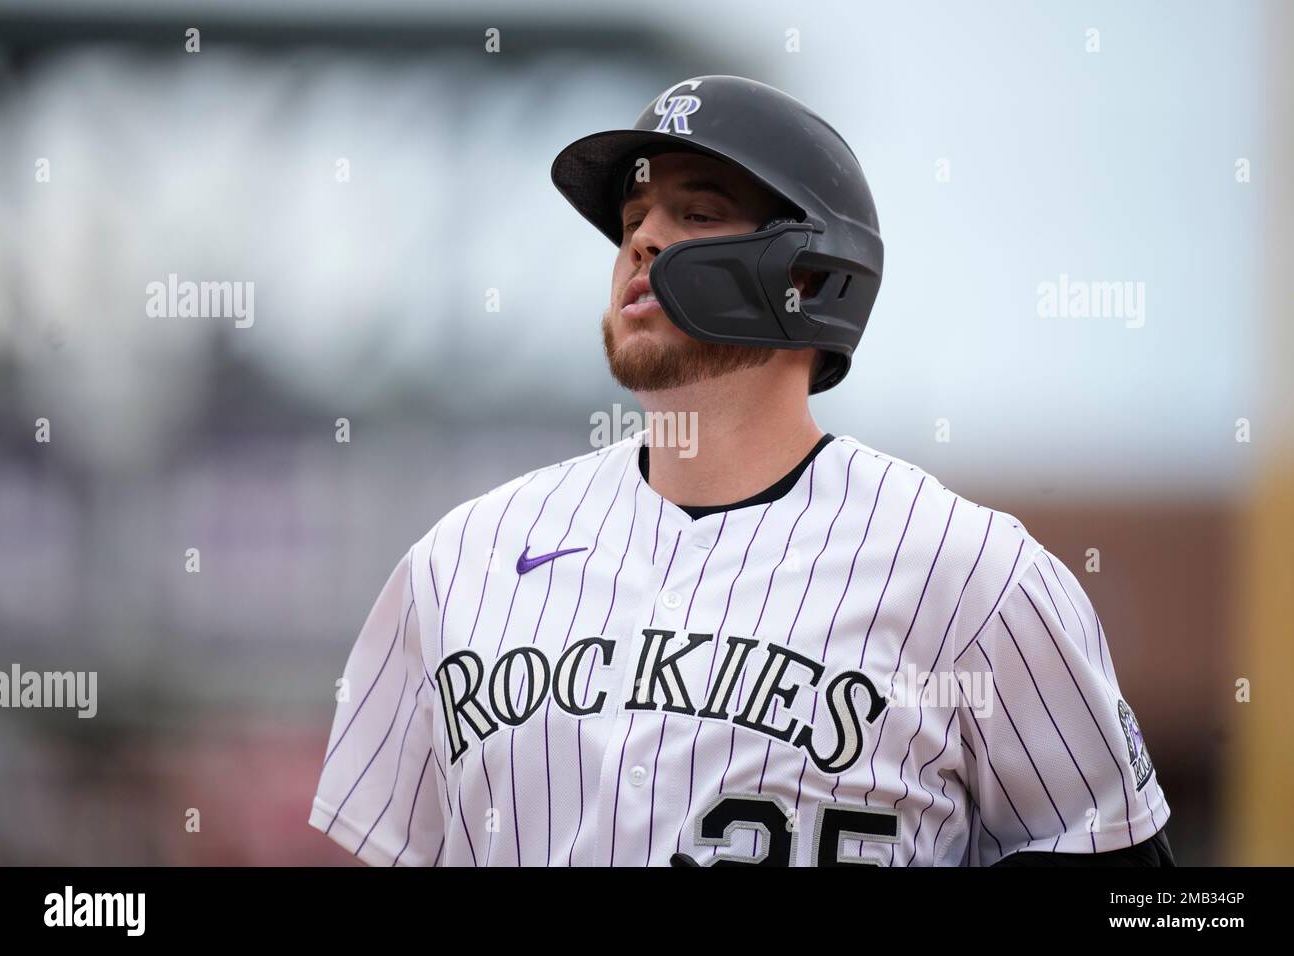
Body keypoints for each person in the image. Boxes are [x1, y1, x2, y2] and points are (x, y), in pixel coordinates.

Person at [309, 75, 1172, 866]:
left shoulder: (968, 575)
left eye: (697, 213)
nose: (642, 238)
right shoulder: (460, 562)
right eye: (631, 220)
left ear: (809, 271)